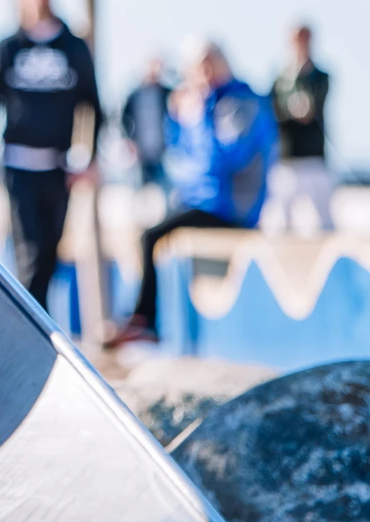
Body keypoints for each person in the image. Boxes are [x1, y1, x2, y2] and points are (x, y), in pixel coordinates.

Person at [106, 38, 277, 347]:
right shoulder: (209, 103)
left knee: (150, 236)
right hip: (204, 202)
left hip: (231, 210)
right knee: (152, 233)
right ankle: (143, 319)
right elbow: (181, 159)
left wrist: (199, 118)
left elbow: (224, 161)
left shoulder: (241, 103)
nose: (202, 75)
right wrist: (177, 118)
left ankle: (144, 321)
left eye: (206, 66)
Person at [0, 0, 102, 311]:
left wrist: (91, 159)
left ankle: (38, 322)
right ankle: (30, 327)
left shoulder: (73, 47)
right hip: (18, 165)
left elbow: (94, 105)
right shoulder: (8, 47)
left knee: (50, 253)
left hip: (58, 167)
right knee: (28, 252)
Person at [267, 24, 334, 232]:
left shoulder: (321, 76)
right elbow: (273, 111)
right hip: (287, 157)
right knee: (282, 222)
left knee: (324, 221)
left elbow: (315, 106)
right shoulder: (280, 79)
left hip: (314, 155)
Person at [121, 58, 171, 190]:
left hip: (162, 152)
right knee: (139, 191)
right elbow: (123, 119)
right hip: (140, 152)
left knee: (165, 190)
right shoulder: (134, 95)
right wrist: (129, 140)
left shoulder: (166, 93)